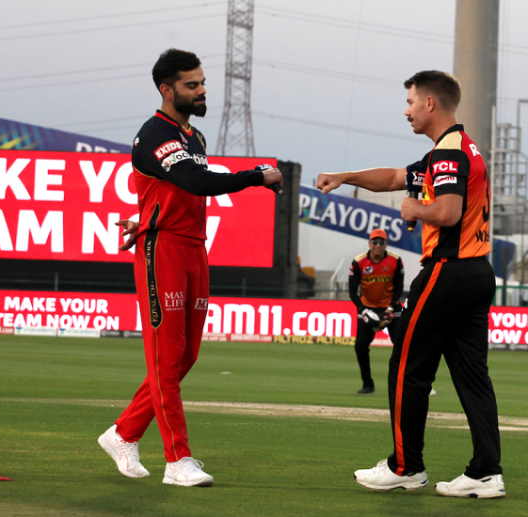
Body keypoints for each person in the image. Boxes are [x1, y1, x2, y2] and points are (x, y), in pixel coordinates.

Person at [97, 48, 282, 488]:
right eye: (191, 85)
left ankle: (123, 433)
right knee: (166, 360)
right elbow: (196, 182)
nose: (202, 91)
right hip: (163, 250)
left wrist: (145, 215)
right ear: (167, 90)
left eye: (202, 83)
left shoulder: (192, 136)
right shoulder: (154, 134)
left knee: (185, 357)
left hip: (194, 248)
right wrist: (255, 176)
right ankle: (177, 460)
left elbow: (175, 190)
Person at [316, 70, 505, 499]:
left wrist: (415, 210)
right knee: (472, 378)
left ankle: (406, 467)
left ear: (430, 103)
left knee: (407, 366)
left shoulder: (448, 154)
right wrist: (345, 176)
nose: (407, 111)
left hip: (447, 271)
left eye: (410, 102)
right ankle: (485, 472)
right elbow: (393, 177)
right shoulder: (459, 147)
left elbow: (448, 212)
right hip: (477, 272)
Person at [348, 228, 404, 394]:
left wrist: (390, 308)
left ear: (386, 244)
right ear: (369, 243)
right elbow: (352, 291)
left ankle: (403, 383)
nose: (378, 245)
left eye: (381, 242)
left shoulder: (396, 260)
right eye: (375, 242)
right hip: (367, 307)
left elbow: (399, 287)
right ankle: (368, 384)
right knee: (360, 346)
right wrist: (363, 310)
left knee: (401, 346)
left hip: (391, 307)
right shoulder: (358, 262)